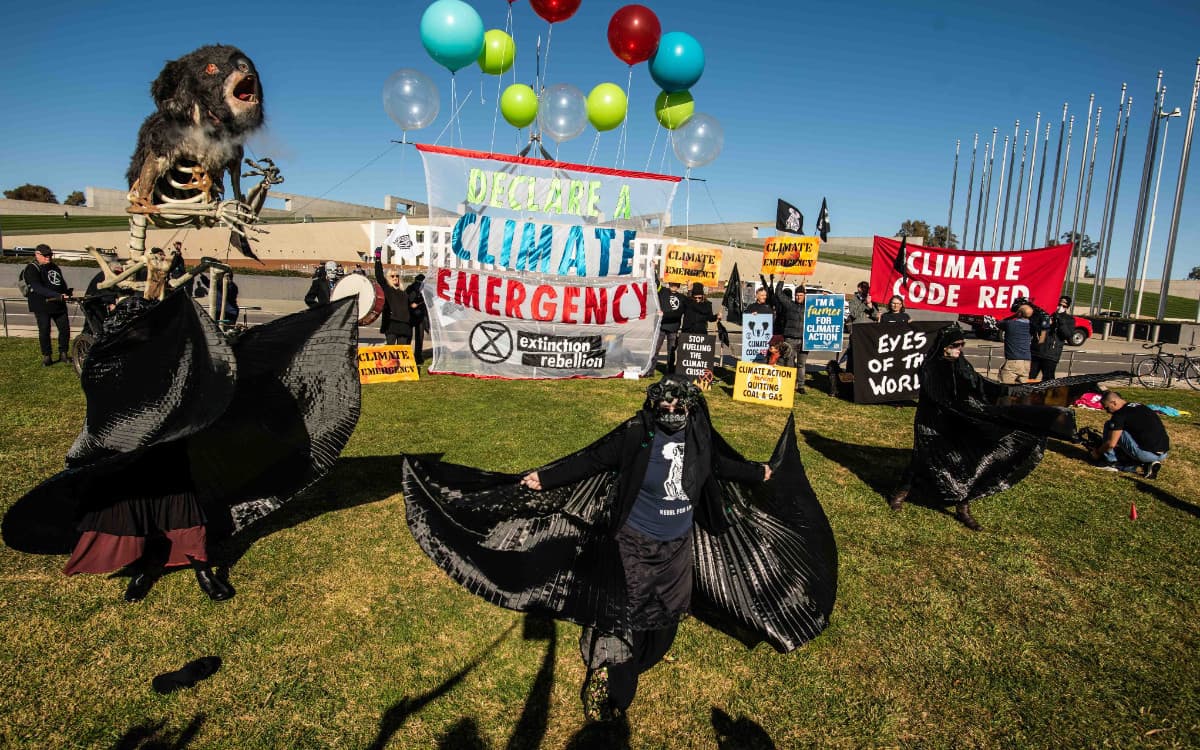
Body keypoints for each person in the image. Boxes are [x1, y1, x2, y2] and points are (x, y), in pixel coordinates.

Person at [888, 324, 1076, 531]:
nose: (959, 349)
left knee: (966, 462)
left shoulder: (961, 364)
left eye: (962, 345)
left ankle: (963, 508)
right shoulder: (930, 367)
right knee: (922, 457)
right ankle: (901, 492)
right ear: (944, 346)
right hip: (932, 422)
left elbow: (980, 385)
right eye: (955, 345)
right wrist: (967, 410)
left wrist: (1014, 395)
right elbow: (936, 397)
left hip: (960, 419)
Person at [1091, 390, 1169, 478]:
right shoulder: (1140, 406)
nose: (1107, 412)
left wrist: (1098, 452)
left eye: (1107, 408)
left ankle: (1110, 462)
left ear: (1114, 402)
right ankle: (1147, 464)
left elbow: (1111, 444)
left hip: (1145, 454)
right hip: (1163, 453)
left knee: (1110, 426)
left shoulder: (1119, 415)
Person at [22, 244, 72, 366]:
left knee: (65, 329)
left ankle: (63, 353)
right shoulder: (32, 268)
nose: (48, 257)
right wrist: (56, 295)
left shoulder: (54, 267)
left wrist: (66, 292)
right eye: (45, 255)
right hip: (42, 305)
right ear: (37, 255)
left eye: (50, 255)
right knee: (44, 330)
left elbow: (60, 283)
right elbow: (37, 287)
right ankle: (47, 356)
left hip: (58, 305)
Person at [374, 248, 414, 346]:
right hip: (391, 323)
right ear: (389, 278)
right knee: (390, 351)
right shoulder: (387, 289)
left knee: (401, 352)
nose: (395, 278)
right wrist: (378, 258)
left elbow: (408, 307)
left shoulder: (404, 292)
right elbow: (379, 276)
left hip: (404, 324)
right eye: (392, 276)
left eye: (397, 276)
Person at [772, 284, 808, 393]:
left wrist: (824, 298)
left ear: (804, 296)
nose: (798, 297)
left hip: (804, 340)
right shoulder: (790, 305)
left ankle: (801, 386)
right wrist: (782, 280)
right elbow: (778, 293)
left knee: (801, 364)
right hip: (790, 339)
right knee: (790, 362)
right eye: (797, 295)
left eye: (801, 295)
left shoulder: (810, 307)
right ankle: (790, 384)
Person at [1030, 296, 1075, 380]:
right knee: (1030, 377)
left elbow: (1067, 335)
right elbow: (1033, 328)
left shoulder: (1069, 319)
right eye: (1059, 304)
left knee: (1048, 380)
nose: (1060, 307)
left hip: (1051, 355)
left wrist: (1060, 320)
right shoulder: (1046, 314)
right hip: (1037, 352)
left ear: (1067, 307)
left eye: (1064, 306)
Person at [652, 282, 687, 373]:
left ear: (679, 286)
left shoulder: (682, 298)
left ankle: (670, 371)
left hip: (674, 328)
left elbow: (691, 302)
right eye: (672, 284)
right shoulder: (663, 291)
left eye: (676, 284)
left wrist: (690, 288)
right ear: (669, 284)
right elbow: (655, 282)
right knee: (655, 350)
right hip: (661, 327)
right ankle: (650, 369)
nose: (674, 286)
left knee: (671, 352)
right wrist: (653, 268)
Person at [997, 302, 1034, 384]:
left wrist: (1014, 315)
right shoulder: (1031, 326)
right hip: (1027, 362)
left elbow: (998, 323)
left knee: (1006, 387)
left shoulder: (1010, 324)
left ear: (1019, 313)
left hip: (1013, 361)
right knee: (1023, 389)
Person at [405, 274, 429, 365]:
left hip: (417, 316)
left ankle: (415, 356)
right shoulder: (413, 288)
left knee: (414, 337)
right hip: (415, 316)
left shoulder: (412, 288)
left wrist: (416, 303)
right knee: (415, 337)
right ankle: (415, 356)